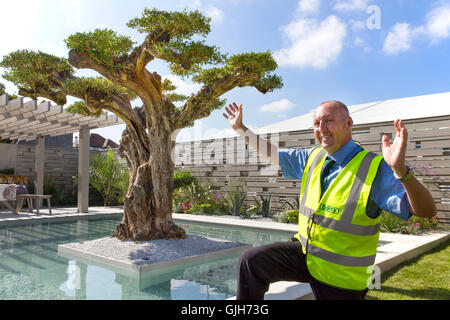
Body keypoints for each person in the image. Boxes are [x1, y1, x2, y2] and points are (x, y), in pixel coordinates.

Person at [222, 100, 436, 300]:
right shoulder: (313, 157)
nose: (321, 127)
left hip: (341, 277)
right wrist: (240, 128)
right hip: (307, 255)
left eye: (329, 120)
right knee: (252, 261)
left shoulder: (374, 168)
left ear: (348, 124)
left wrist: (401, 171)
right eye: (316, 123)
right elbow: (274, 153)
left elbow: (425, 211)